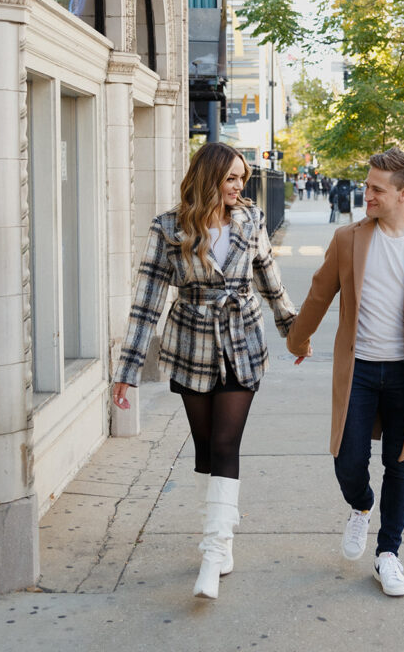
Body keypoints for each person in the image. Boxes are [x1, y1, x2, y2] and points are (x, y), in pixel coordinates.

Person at [112, 142, 297, 600]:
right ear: (209, 177)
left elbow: (268, 275)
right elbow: (146, 302)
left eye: (243, 179)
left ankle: (213, 552)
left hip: (242, 341)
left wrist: (293, 328)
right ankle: (222, 532)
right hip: (191, 342)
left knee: (224, 442)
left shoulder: (249, 220)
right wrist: (128, 369)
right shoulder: (169, 228)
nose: (239, 187)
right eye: (231, 178)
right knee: (203, 450)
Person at [287, 148, 404, 598]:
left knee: (399, 464)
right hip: (360, 371)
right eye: (367, 186)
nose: (365, 194)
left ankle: (389, 555)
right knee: (347, 461)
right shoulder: (349, 239)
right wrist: (298, 338)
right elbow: (318, 294)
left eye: (376, 189)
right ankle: (361, 506)